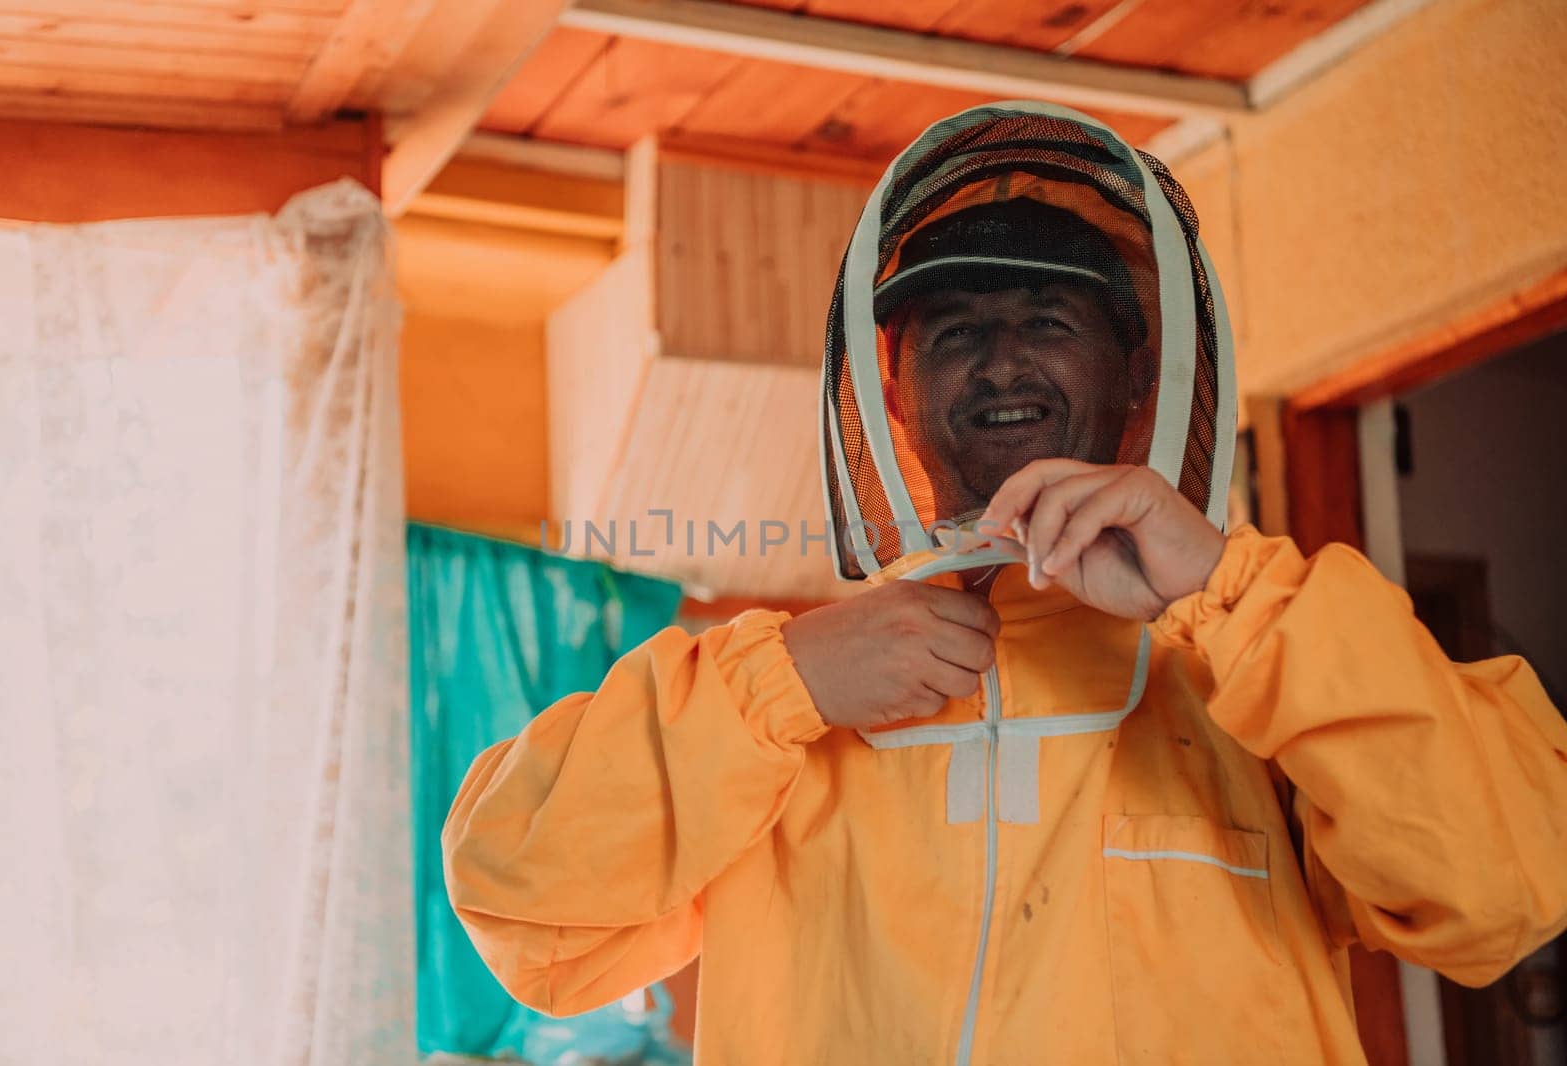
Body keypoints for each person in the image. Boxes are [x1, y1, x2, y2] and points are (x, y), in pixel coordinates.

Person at [443, 102, 1567, 1064]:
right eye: (956, 331)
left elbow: (1499, 888)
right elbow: (519, 901)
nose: (999, 360)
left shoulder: (1256, 658)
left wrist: (1229, 590)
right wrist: (777, 688)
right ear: (892, 389)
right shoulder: (775, 701)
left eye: (1047, 320)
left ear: (1134, 369)